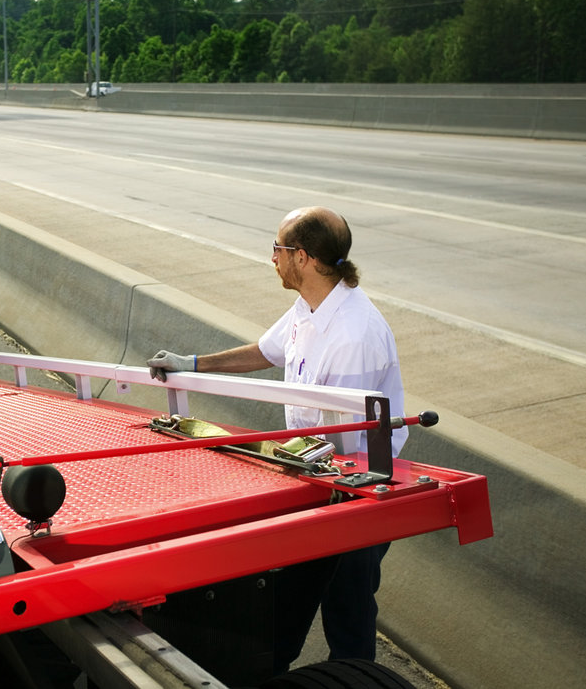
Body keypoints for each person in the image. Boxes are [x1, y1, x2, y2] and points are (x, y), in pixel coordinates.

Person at [147, 206, 405, 674]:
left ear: (302, 257)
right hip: (312, 477)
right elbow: (266, 351)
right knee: (295, 592)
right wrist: (194, 363)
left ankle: (356, 677)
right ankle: (274, 667)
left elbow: (347, 439)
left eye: (278, 249)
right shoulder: (311, 305)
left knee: (348, 604)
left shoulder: (353, 334)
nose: (272, 259)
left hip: (354, 487)